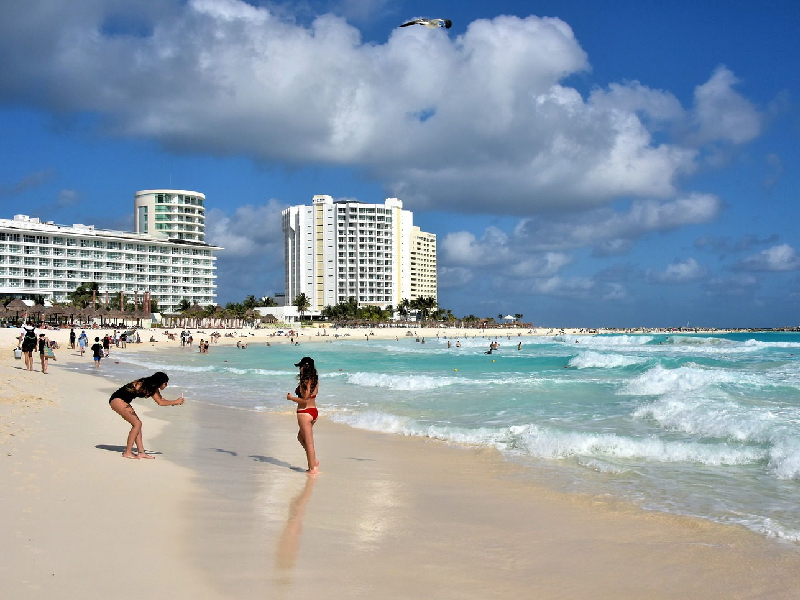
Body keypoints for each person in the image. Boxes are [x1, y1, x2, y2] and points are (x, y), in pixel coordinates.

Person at [108, 372, 184, 459]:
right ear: (160, 382)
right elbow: (133, 390)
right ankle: (127, 452)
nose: (166, 385)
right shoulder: (143, 384)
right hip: (117, 400)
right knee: (137, 424)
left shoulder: (153, 388)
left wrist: (176, 402)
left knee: (137, 425)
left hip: (123, 401)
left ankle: (141, 452)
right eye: (165, 383)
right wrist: (176, 402)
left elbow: (160, 401)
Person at [286, 357, 319, 474]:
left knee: (309, 443)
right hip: (313, 411)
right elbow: (311, 397)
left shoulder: (305, 382)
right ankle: (313, 461)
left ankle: (312, 469)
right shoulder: (315, 380)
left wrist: (291, 398)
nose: (299, 369)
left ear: (304, 368)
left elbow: (304, 400)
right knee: (301, 438)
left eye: (300, 367)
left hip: (304, 413)